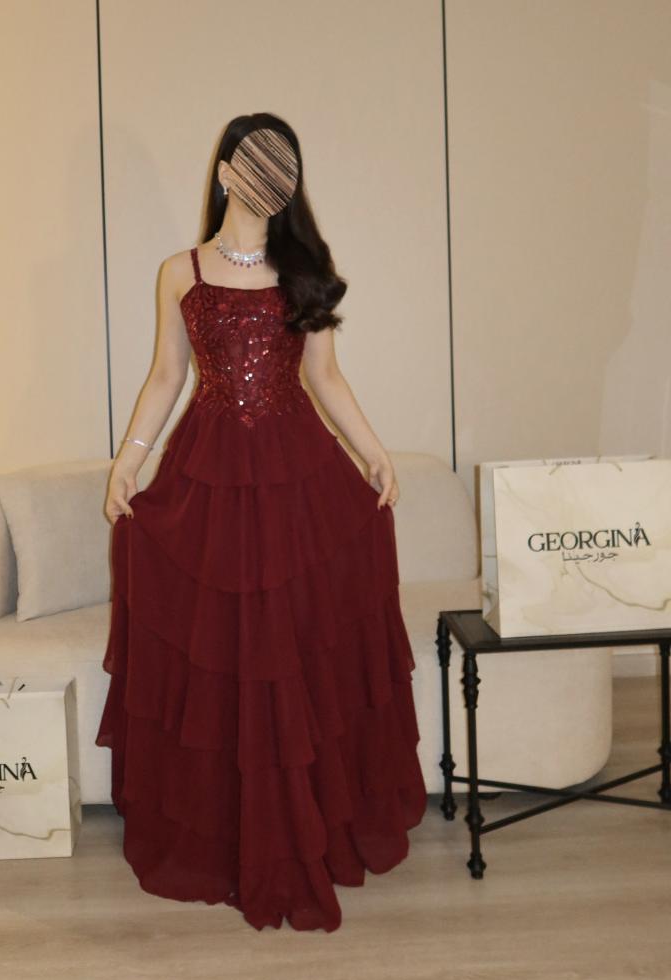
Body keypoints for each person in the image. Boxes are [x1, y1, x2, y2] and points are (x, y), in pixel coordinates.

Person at [95, 112, 427, 933]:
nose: (267, 176)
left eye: (282, 163)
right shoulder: (179, 270)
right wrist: (128, 462)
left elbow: (326, 378)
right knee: (225, 648)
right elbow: (166, 376)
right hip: (207, 475)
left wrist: (375, 453)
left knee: (294, 648)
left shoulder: (304, 269)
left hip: (296, 477)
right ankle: (228, 831)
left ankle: (304, 824)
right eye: (254, 160)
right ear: (225, 171)